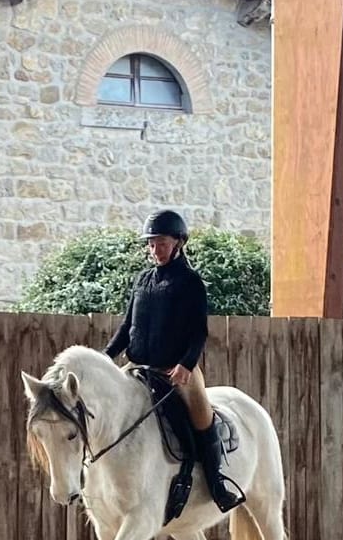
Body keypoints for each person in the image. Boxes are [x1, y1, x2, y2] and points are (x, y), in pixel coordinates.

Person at [104, 209, 242, 513]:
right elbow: (126, 329)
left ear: (178, 243)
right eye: (151, 244)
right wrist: (104, 359)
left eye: (162, 244)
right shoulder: (142, 281)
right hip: (139, 369)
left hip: (177, 371)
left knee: (201, 418)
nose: (155, 251)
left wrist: (186, 365)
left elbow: (198, 333)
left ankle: (217, 484)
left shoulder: (190, 283)